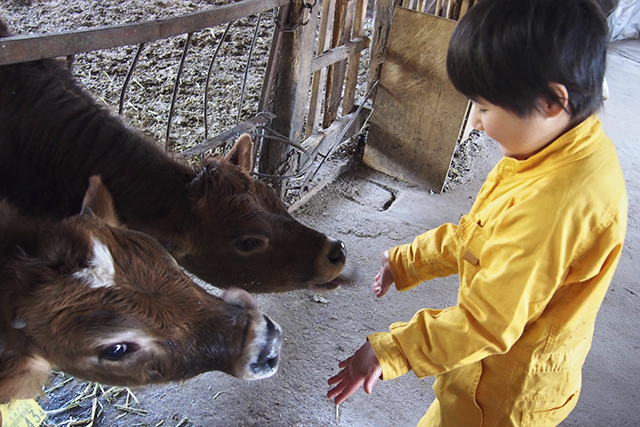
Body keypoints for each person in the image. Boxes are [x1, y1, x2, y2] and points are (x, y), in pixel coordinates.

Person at [327, 0, 628, 425]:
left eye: (485, 108)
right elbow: (482, 234)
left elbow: (487, 323)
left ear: (551, 102)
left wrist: (392, 348)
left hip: (503, 398)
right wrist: (409, 261)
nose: (475, 123)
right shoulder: (552, 150)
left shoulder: (556, 207)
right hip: (487, 377)